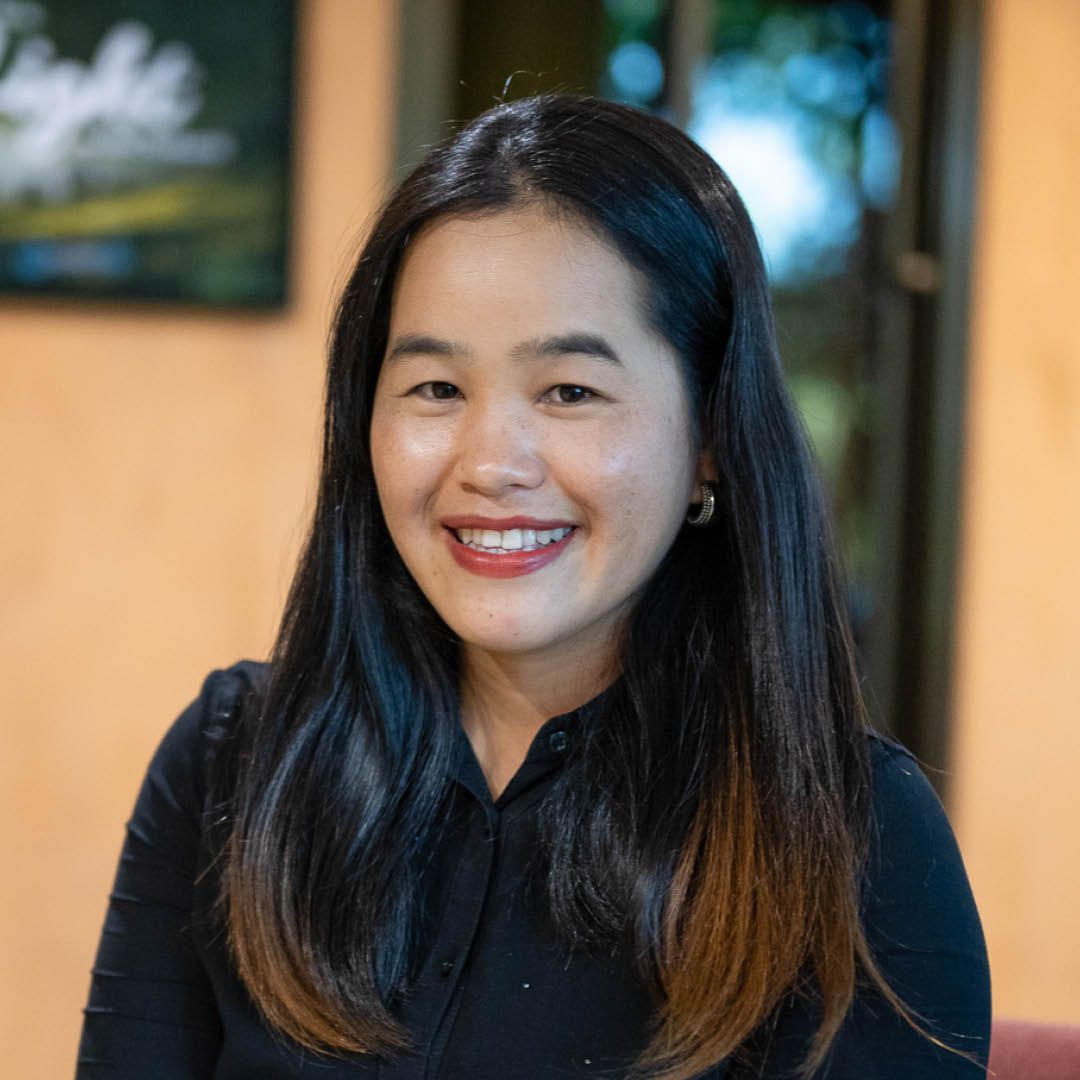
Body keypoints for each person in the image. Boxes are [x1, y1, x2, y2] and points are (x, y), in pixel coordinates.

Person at [77, 94, 991, 1079]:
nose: (491, 462)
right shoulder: (233, 767)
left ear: (710, 440)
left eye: (569, 391)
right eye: (436, 388)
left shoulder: (853, 838)